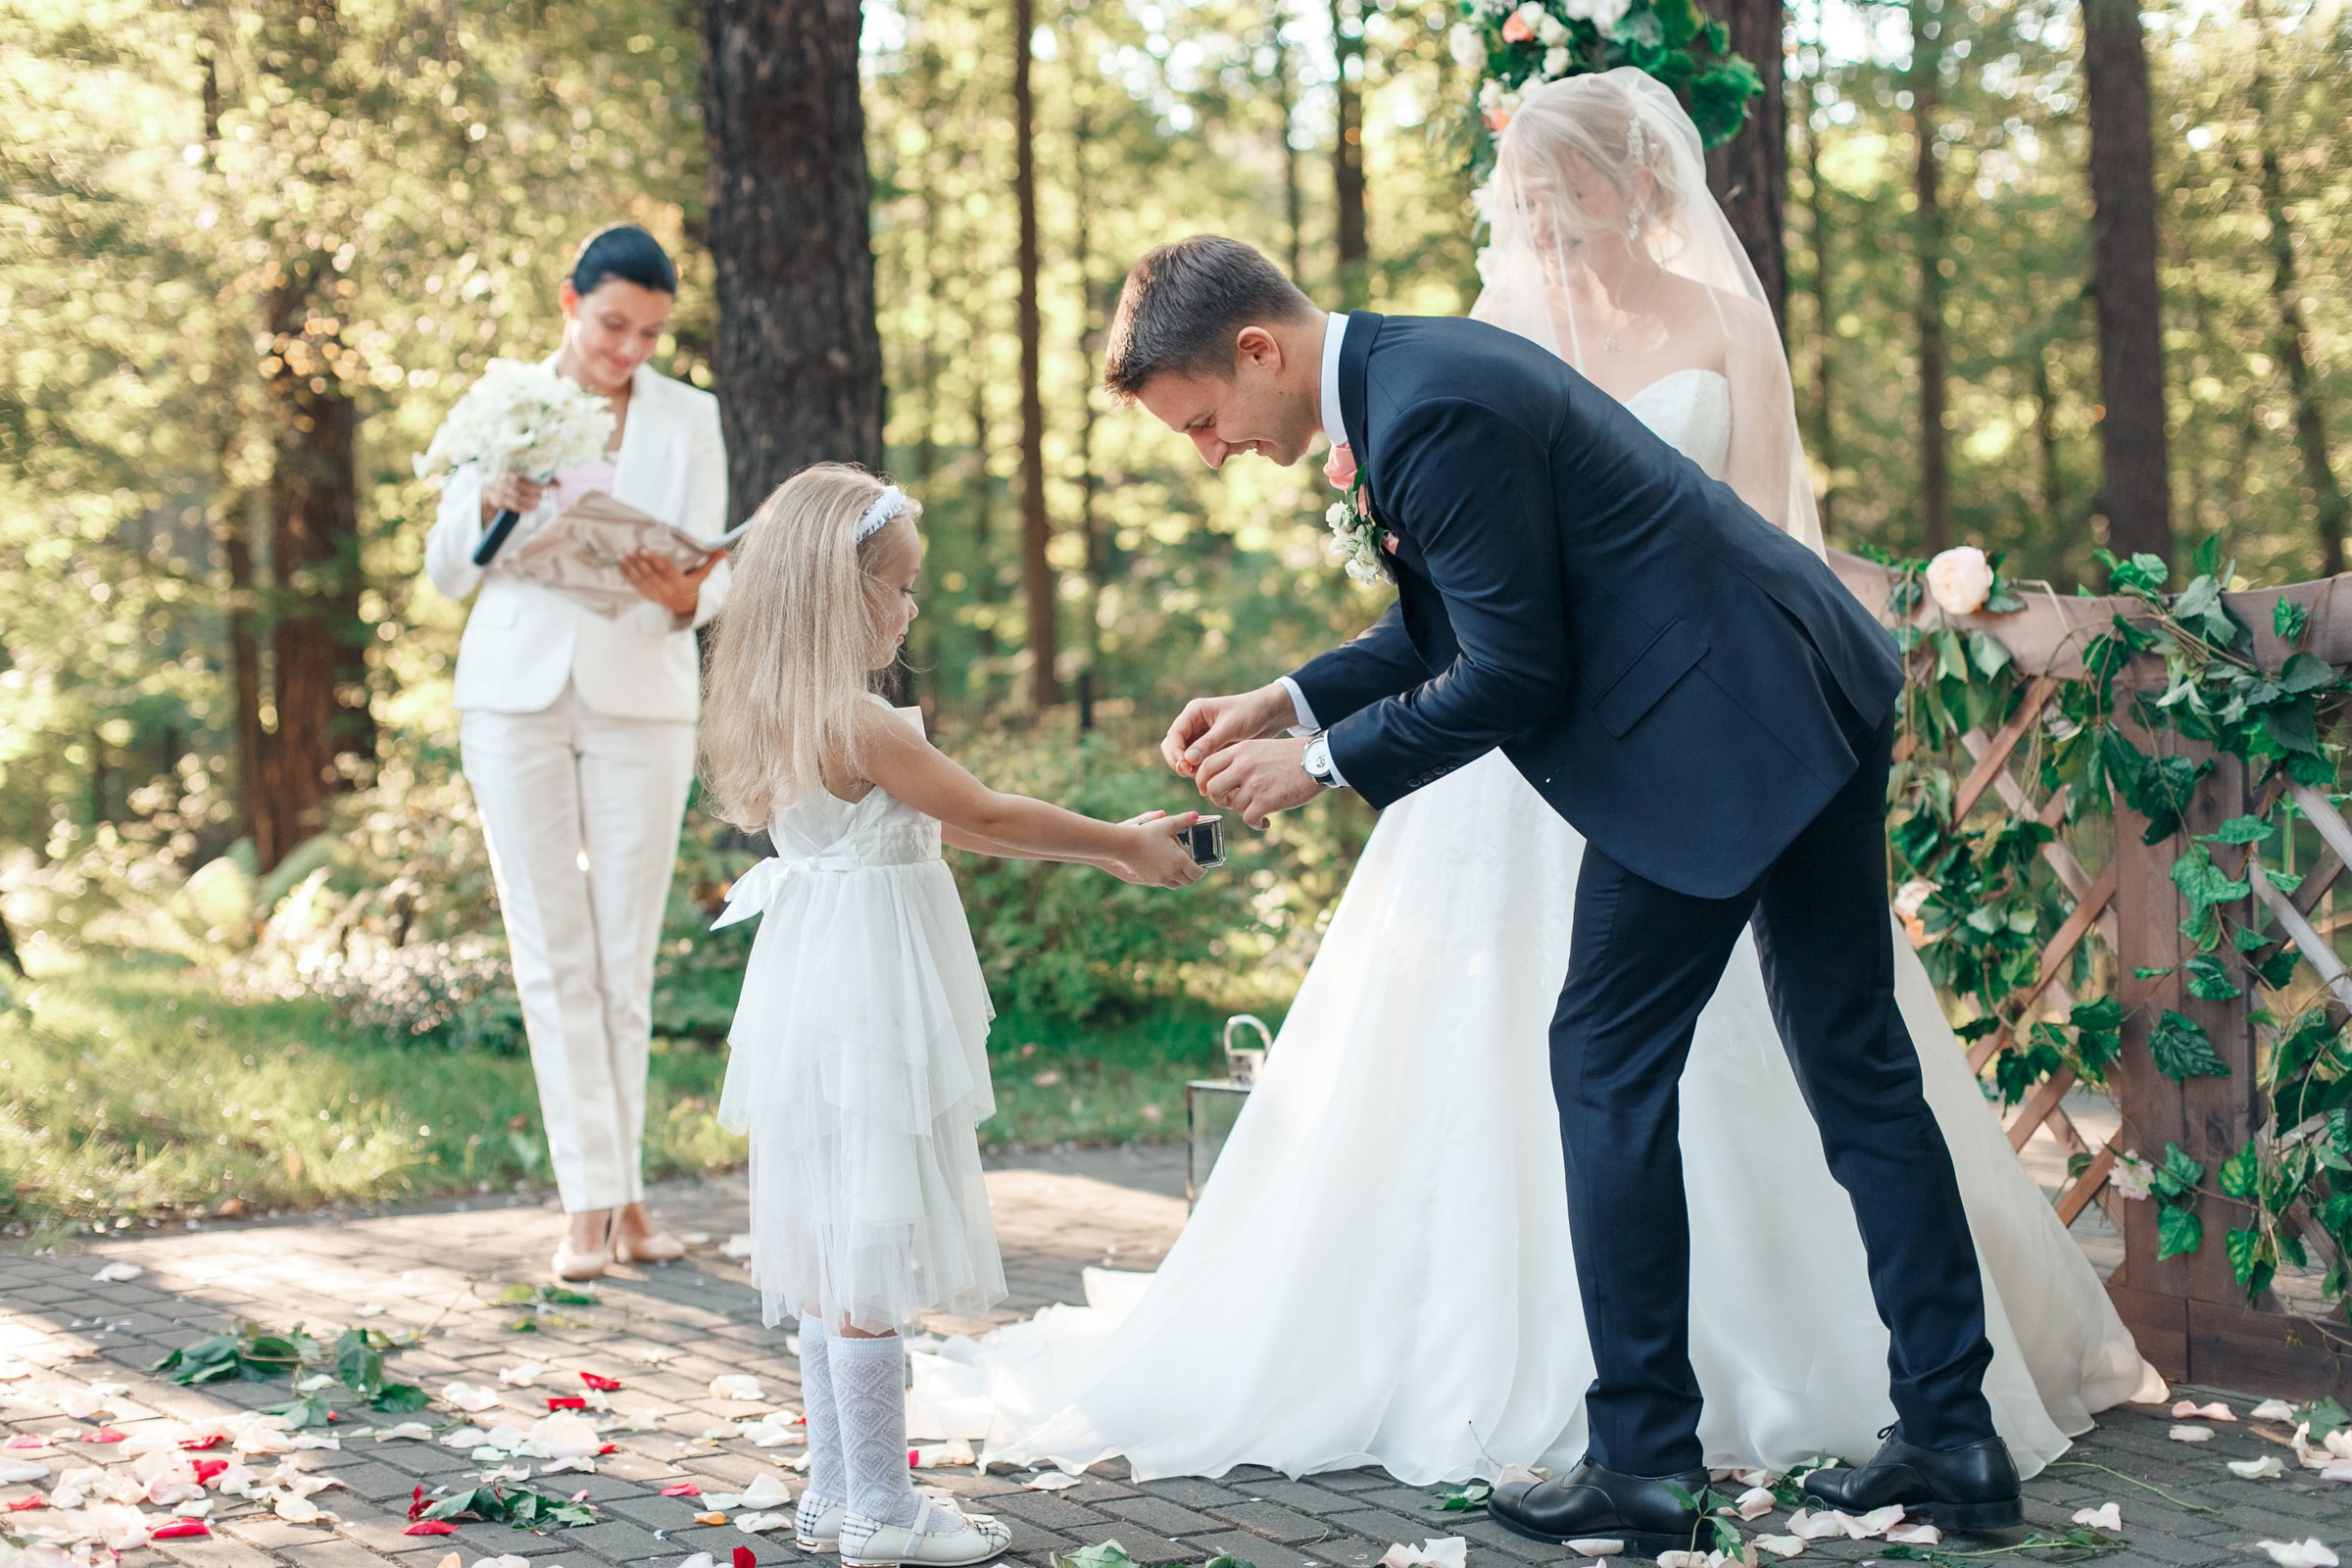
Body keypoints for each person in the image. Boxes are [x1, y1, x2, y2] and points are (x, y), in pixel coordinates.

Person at [938, 74, 2161, 1546]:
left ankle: (1647, 1465)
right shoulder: (1415, 371)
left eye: (1204, 420)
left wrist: (1318, 770)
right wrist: (1289, 697)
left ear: (1255, 351)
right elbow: (1460, 612)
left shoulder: (1425, 405)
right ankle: (1956, 1444)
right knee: (1857, 1066)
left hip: (1714, 734)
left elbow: (1512, 671)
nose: (1214, 452)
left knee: (1605, 1062)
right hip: (1809, 684)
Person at [697, 464, 1210, 1568]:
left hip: (809, 986)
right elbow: (981, 808)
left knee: (837, 1243)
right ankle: (882, 1507)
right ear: (840, 596)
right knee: (871, 1239)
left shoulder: (782, 709)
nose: (910, 607)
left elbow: (949, 825)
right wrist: (1120, 843)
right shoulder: (862, 720)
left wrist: (1103, 838)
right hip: (868, 993)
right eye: (899, 586)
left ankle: (838, 1492)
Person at [423, 224, 729, 1281]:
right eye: (613, 325)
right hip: (512, 697)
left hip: (642, 691)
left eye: (649, 332)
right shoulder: (501, 401)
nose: (629, 349)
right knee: (553, 957)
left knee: (622, 959)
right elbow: (446, 576)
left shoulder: (693, 416)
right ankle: (589, 1204)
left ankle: (629, 1196)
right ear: (571, 302)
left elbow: (712, 566)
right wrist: (485, 503)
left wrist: (690, 592)